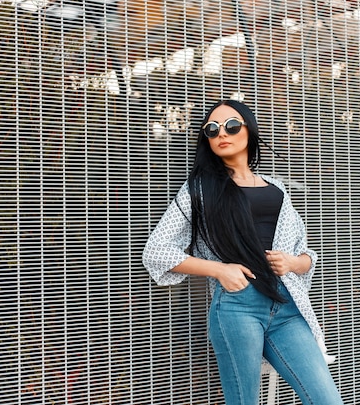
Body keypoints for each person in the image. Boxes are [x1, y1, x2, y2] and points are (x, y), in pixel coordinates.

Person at [142, 99, 344, 405]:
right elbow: (157, 251)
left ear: (249, 130)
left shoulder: (277, 189)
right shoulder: (200, 190)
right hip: (238, 307)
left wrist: (292, 262)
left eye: (231, 126)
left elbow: (305, 255)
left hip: (286, 307)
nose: (221, 133)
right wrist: (220, 270)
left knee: (327, 400)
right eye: (212, 129)